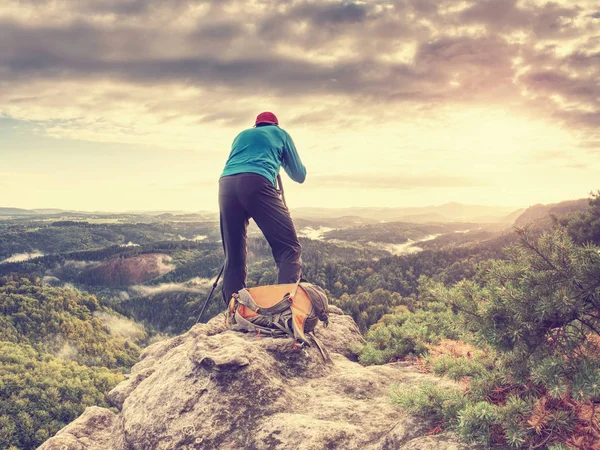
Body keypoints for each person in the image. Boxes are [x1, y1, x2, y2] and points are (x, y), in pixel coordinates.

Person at [218, 112, 307, 304]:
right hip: (257, 183)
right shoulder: (280, 133)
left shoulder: (241, 135)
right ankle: (286, 308)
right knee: (288, 248)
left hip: (226, 185)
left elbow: (242, 161)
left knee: (233, 256)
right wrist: (281, 158)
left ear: (256, 124)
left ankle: (235, 309)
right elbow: (299, 175)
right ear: (275, 124)